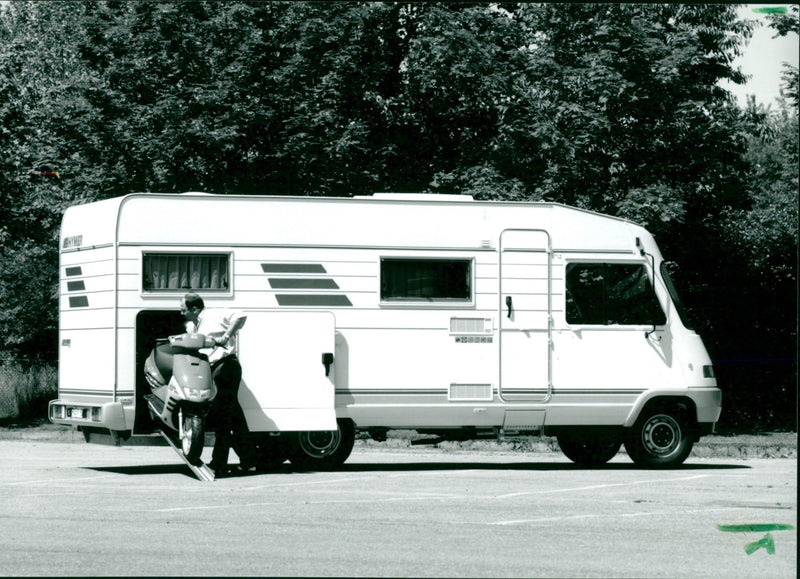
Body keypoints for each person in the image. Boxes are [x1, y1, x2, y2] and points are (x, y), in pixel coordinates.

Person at [180, 291, 254, 476]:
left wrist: (226, 336)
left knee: (223, 416)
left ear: (194, 308)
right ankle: (249, 460)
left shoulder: (213, 314)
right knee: (234, 416)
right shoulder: (198, 324)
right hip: (217, 368)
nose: (181, 313)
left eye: (183, 310)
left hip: (226, 367)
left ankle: (220, 462)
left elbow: (241, 316)